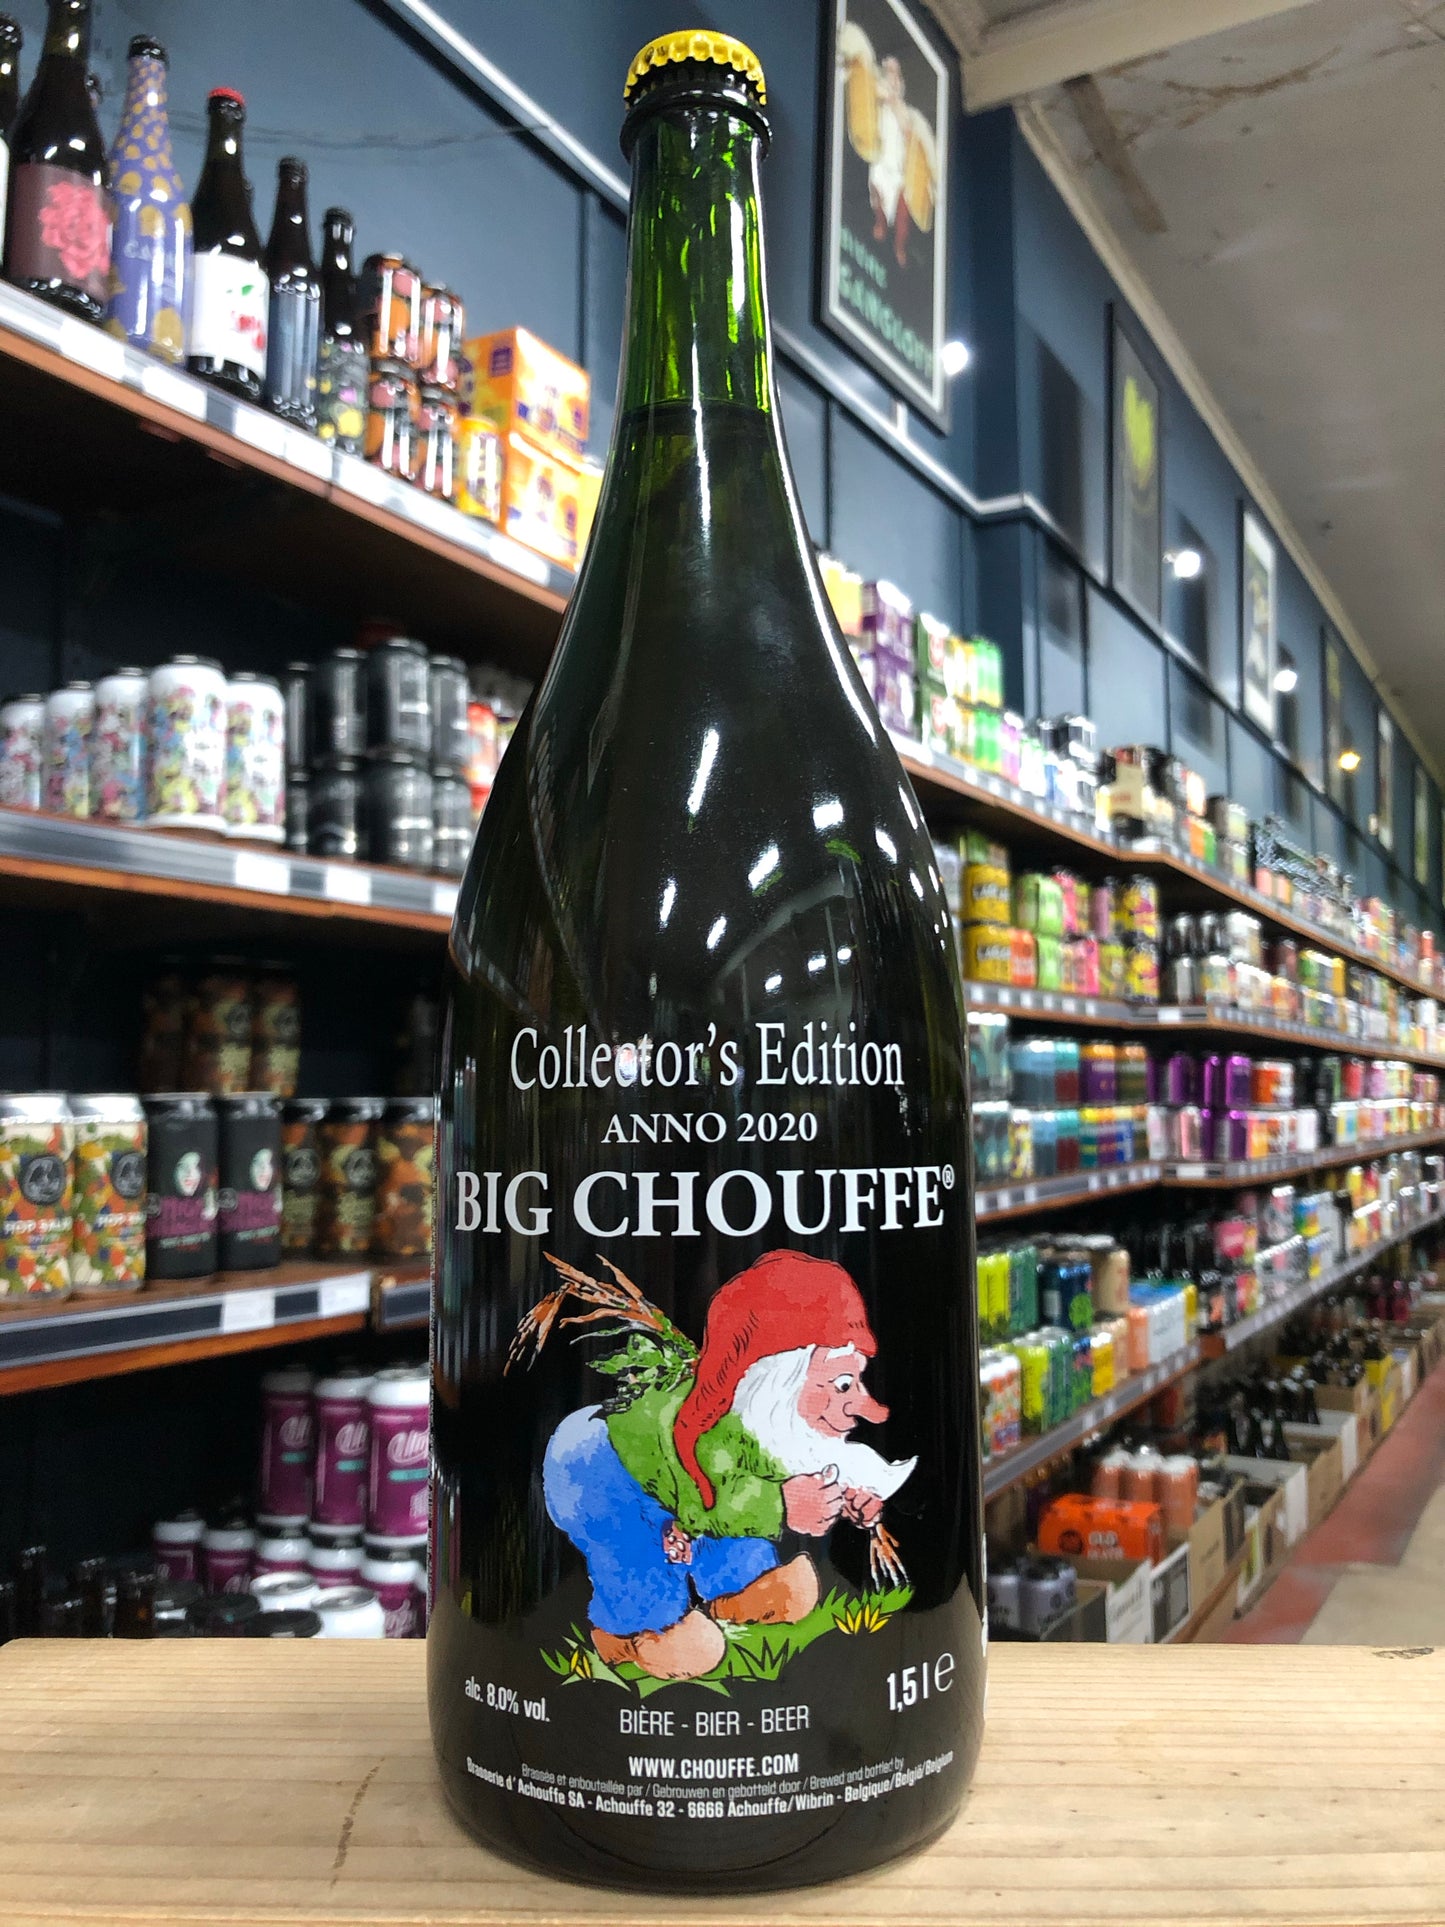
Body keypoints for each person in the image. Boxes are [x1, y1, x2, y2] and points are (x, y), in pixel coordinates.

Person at [542, 1250, 915, 1681]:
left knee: (737, 1539)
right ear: (780, 1379)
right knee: (639, 1559)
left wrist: (845, 1498)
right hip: (599, 1471)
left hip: (679, 1486)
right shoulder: (708, 1425)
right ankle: (629, 1634)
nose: (860, 1405)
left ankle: (739, 1592)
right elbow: (708, 1497)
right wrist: (781, 1504)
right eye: (842, 1384)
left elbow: (764, 1473)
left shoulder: (766, 1428)